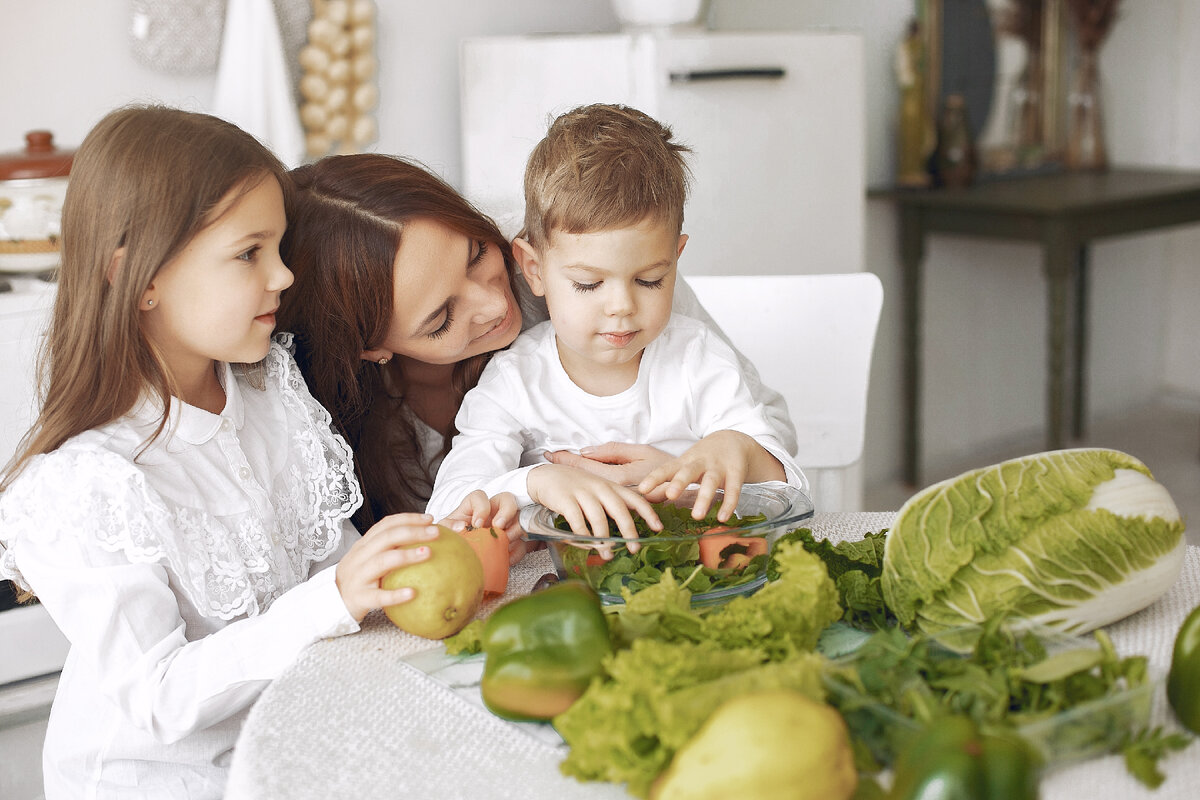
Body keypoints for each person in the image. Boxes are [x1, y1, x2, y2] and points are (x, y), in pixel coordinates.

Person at [0, 106, 514, 799]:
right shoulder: (84, 482)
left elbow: (343, 574)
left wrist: (435, 550)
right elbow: (159, 699)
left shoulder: (272, 393)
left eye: (277, 249)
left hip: (289, 746)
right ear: (140, 278)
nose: (283, 276)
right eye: (250, 254)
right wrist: (333, 597)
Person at [277, 153, 798, 536]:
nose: (492, 304)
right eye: (440, 319)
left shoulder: (593, 261)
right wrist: (534, 483)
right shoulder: (319, 415)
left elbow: (765, 438)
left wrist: (676, 472)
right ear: (373, 350)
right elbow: (450, 517)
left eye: (477, 255)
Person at [425, 104, 806, 545]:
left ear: (676, 258)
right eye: (588, 284)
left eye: (650, 280)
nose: (622, 306)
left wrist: (742, 451)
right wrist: (536, 482)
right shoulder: (515, 380)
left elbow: (790, 490)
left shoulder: (697, 357)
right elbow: (446, 507)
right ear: (533, 269)